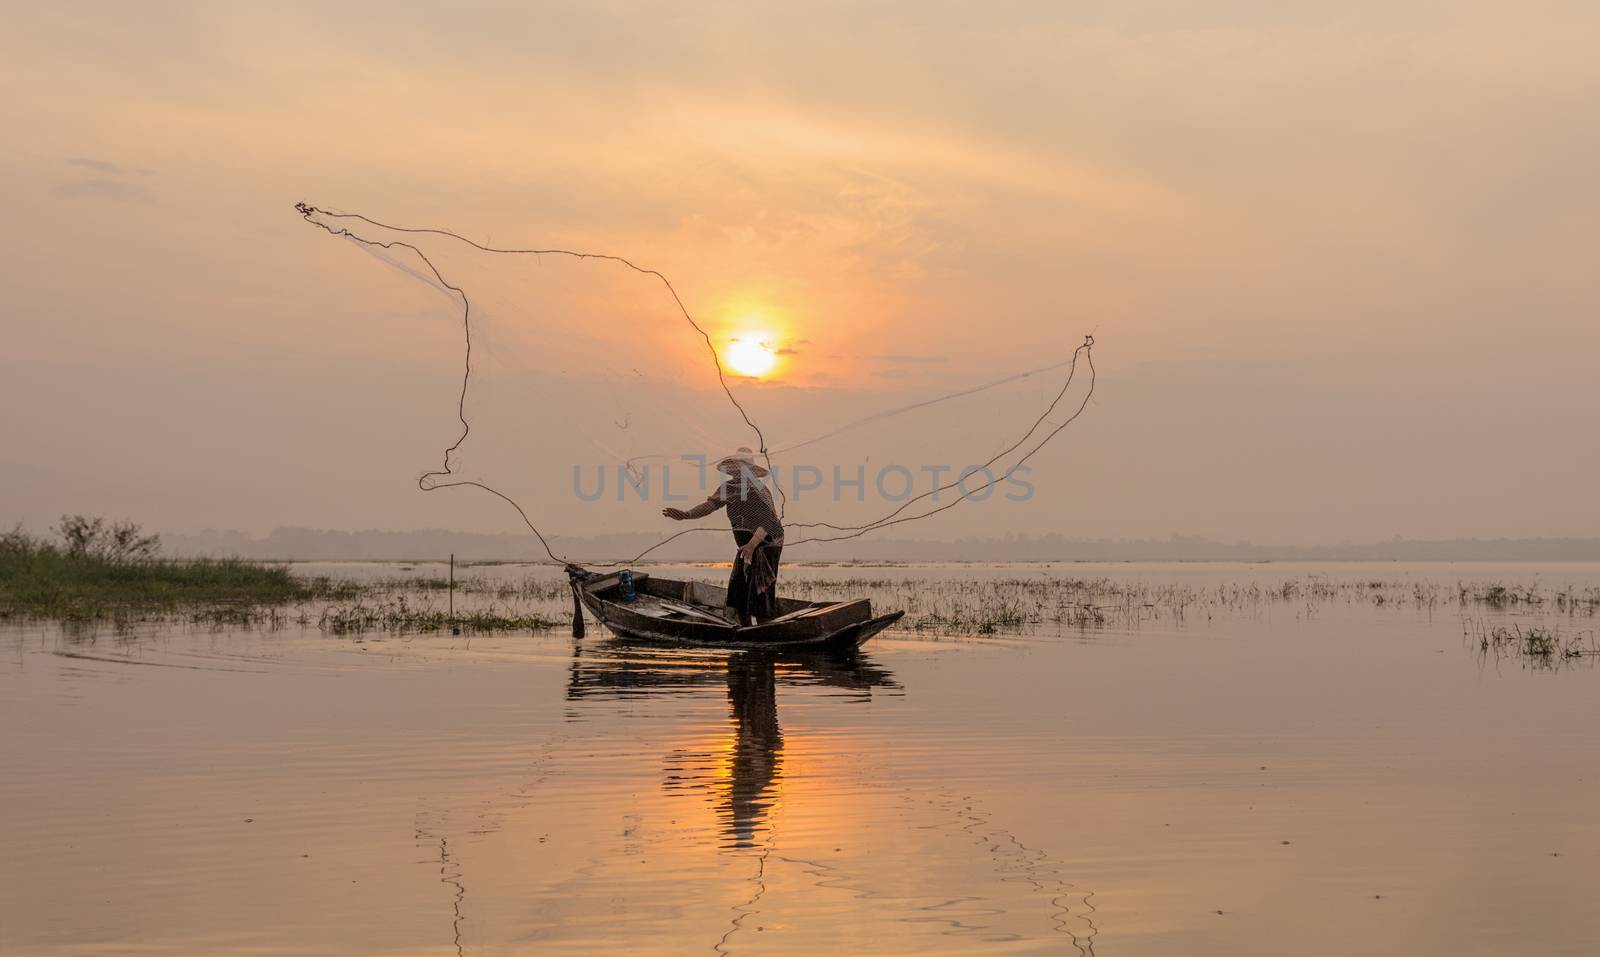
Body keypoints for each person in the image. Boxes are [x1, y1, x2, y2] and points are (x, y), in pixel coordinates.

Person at [661, 448, 784, 625]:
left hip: (767, 544)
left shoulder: (759, 490)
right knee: (738, 592)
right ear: (733, 469)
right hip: (745, 546)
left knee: (759, 592)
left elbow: (768, 521)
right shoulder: (729, 488)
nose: (739, 471)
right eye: (737, 468)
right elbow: (709, 505)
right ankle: (744, 630)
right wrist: (685, 514)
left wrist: (752, 545)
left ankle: (764, 628)